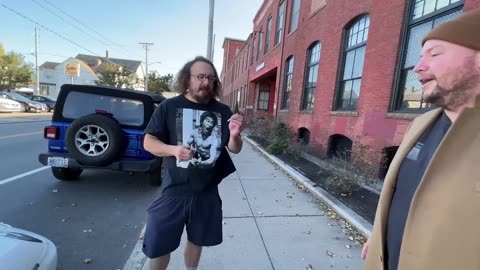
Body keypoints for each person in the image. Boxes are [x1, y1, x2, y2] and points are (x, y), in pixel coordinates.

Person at [362, 9, 480, 270]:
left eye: (435, 54)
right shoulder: (420, 123)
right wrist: (379, 238)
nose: (418, 67)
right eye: (421, 56)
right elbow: (401, 195)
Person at [142, 56, 245, 270]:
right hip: (174, 191)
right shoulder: (169, 107)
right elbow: (148, 141)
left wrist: (235, 135)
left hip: (206, 191)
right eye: (200, 77)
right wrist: (174, 150)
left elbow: (234, 148)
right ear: (187, 78)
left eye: (210, 78)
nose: (205, 83)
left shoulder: (223, 111)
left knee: (197, 240)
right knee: (159, 245)